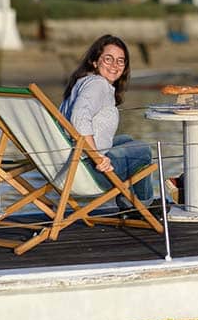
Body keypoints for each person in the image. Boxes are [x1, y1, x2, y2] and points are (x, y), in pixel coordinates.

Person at [59, 34, 158, 217]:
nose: (115, 65)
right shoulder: (98, 85)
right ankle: (143, 207)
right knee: (142, 149)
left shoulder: (82, 83)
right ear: (95, 62)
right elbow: (79, 118)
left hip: (68, 163)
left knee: (127, 140)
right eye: (108, 59)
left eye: (121, 61)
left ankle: (129, 202)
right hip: (87, 172)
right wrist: (96, 156)